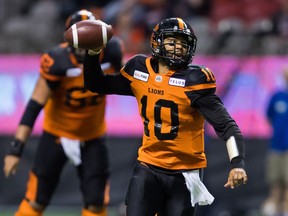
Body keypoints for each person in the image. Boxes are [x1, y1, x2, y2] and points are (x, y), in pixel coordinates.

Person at [82, 17, 248, 216]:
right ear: (157, 42)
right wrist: (92, 53)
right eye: (172, 41)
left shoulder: (195, 81)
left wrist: (237, 164)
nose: (178, 47)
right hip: (148, 165)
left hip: (185, 173)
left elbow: (227, 127)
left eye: (182, 43)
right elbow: (97, 84)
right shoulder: (139, 69)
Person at [3, 9, 124, 216]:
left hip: (92, 136)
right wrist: (16, 149)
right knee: (36, 201)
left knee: (96, 203)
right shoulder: (56, 60)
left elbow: (127, 81)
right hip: (56, 135)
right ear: (70, 39)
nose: (84, 45)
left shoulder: (112, 50)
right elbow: (34, 106)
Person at [261, 68, 288, 216]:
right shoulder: (277, 96)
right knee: (275, 182)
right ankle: (274, 209)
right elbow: (269, 116)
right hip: (276, 147)